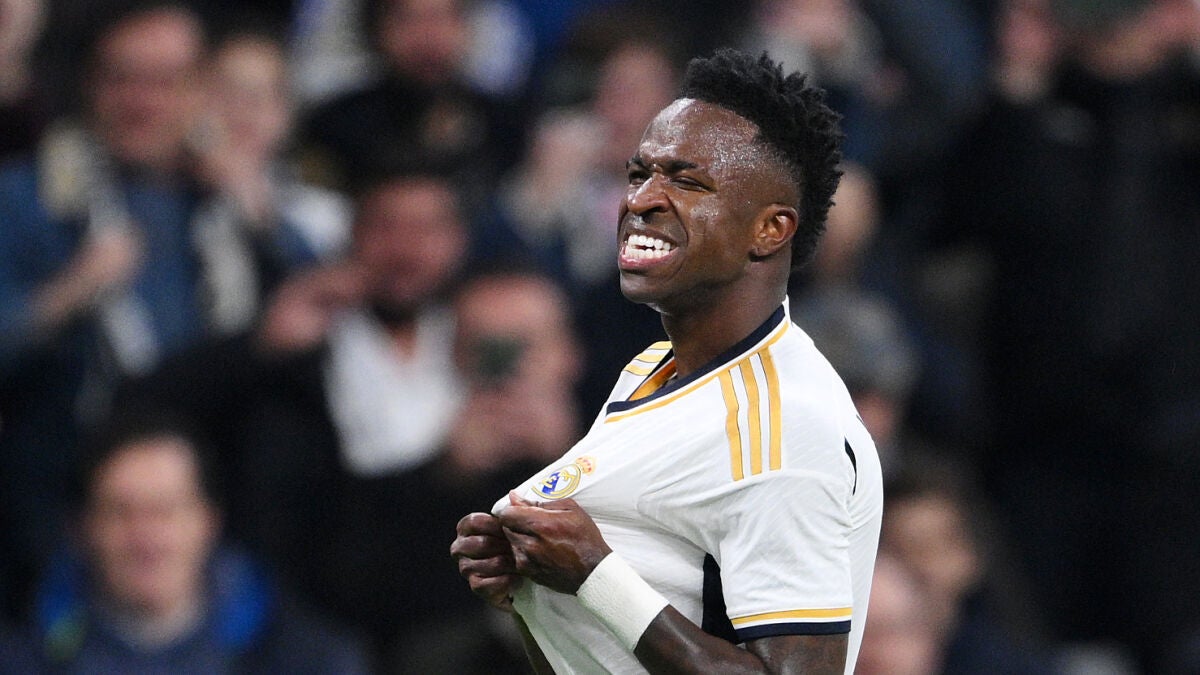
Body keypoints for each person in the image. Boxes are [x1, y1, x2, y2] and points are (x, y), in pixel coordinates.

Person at [452, 48, 883, 674]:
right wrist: (530, 593)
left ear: (770, 229)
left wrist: (594, 575)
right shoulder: (652, 368)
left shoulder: (784, 423)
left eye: (687, 181)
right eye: (638, 174)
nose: (642, 200)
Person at [16, 410, 369, 673]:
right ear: (82, 529)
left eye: (165, 510)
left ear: (209, 521)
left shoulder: (310, 661)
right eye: (121, 512)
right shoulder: (21, 660)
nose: (146, 537)